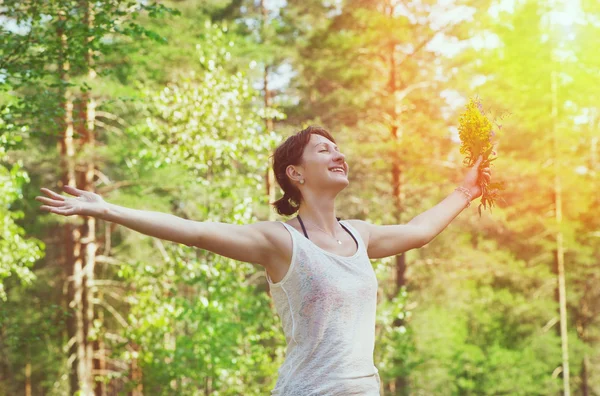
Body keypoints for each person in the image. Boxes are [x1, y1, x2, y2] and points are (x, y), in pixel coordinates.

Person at [36, 125, 491, 395]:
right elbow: (195, 232)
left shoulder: (361, 233)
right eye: (323, 149)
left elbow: (419, 231)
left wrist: (467, 189)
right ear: (296, 174)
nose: (339, 154)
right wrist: (107, 208)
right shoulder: (280, 242)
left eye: (337, 148)